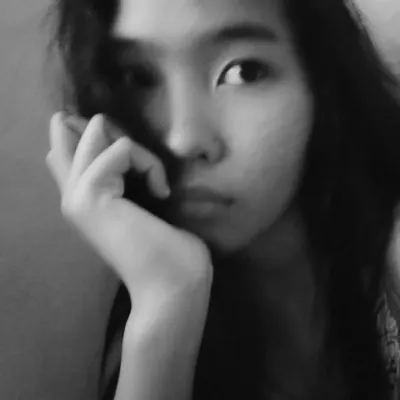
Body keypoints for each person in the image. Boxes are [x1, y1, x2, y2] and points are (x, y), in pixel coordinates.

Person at [45, 0, 400, 399]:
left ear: (321, 83)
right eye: (137, 77)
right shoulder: (155, 312)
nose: (183, 140)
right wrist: (166, 303)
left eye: (244, 72)